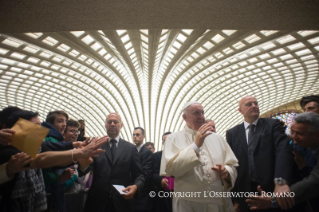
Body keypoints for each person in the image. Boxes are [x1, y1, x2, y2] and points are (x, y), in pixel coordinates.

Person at [0, 109, 107, 211]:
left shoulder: (38, 148)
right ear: (17, 128)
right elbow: (41, 160)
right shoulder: (8, 151)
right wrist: (79, 153)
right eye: (35, 127)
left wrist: (78, 154)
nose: (41, 133)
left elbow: (56, 156)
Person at [160, 101, 238, 212]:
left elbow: (232, 165)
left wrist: (227, 172)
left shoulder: (217, 138)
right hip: (188, 203)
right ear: (184, 117)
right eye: (196, 113)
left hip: (217, 201)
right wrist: (196, 146)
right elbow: (171, 168)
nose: (201, 117)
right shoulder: (173, 139)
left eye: (202, 112)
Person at [226, 95, 295, 212]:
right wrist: (235, 199)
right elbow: (232, 164)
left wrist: (281, 181)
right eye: (249, 104)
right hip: (245, 193)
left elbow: (282, 152)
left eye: (256, 103)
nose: (254, 106)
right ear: (240, 110)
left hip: (273, 188)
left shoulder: (273, 125)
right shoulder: (232, 133)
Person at [246, 112, 319, 211]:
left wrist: (275, 200)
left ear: (317, 135)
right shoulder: (302, 148)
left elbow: (314, 182)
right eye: (293, 132)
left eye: (300, 134)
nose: (294, 137)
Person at [78, 112, 145, 212]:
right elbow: (83, 170)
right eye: (109, 122)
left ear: (121, 125)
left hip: (122, 201)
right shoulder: (96, 145)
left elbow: (139, 175)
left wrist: (136, 186)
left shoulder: (130, 148)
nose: (112, 124)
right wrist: (83, 164)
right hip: (96, 202)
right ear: (105, 125)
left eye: (115, 122)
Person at [132, 127, 153, 212]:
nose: (135, 137)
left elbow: (146, 172)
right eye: (133, 135)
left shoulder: (147, 152)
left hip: (141, 191)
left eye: (137, 135)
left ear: (143, 136)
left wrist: (137, 185)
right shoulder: (131, 150)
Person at [152, 132, 172, 212]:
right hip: (162, 191)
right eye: (165, 140)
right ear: (162, 143)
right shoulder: (156, 156)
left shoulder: (180, 154)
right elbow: (153, 172)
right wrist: (160, 180)